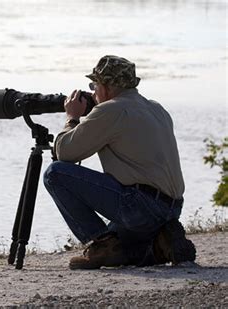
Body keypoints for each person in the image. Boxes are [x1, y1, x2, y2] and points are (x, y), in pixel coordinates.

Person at [43, 55, 196, 269]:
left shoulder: (111, 109)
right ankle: (163, 244)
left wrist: (72, 117)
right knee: (121, 250)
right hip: (170, 209)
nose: (94, 91)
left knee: (55, 174)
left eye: (94, 85)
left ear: (106, 86)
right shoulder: (157, 109)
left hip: (141, 206)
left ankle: (101, 246)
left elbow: (65, 153)